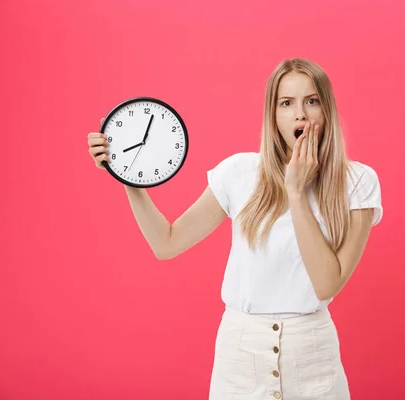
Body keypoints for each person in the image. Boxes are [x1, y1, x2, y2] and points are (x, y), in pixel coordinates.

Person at [87, 58, 383, 400]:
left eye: (311, 101)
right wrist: (128, 177)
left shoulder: (358, 182)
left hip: (313, 357)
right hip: (240, 359)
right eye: (286, 103)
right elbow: (166, 243)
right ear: (273, 117)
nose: (300, 114)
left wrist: (297, 191)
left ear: (326, 110)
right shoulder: (239, 173)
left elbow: (326, 283)